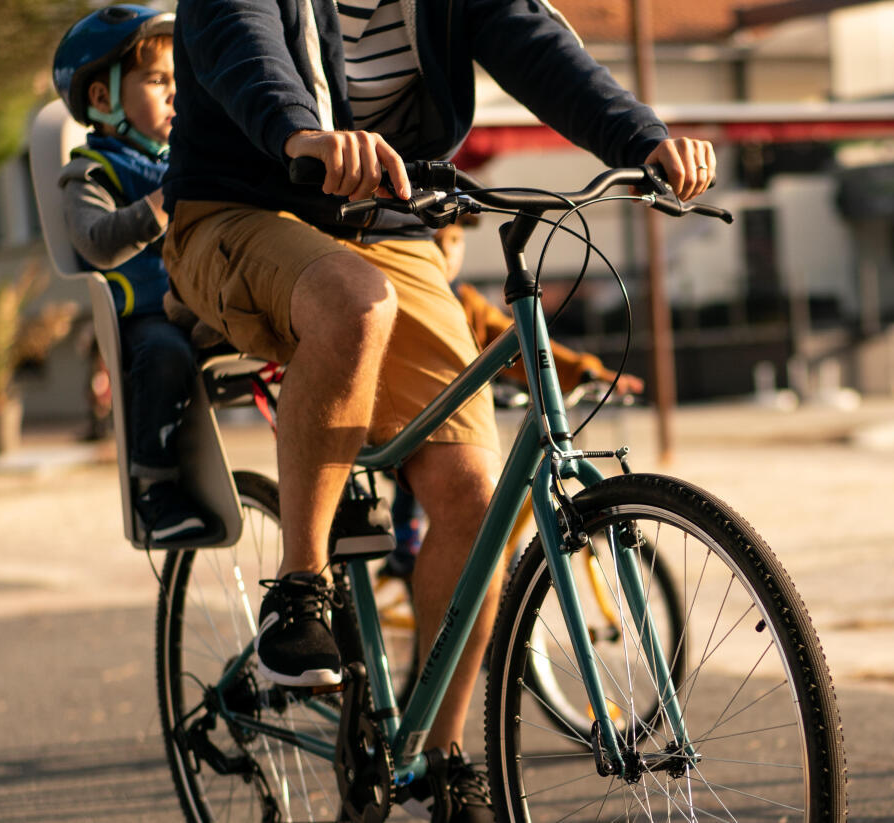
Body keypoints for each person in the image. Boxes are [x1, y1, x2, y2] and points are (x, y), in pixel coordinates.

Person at [159, 0, 713, 817]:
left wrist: (642, 139)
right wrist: (299, 135)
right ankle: (300, 591)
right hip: (240, 206)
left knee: (472, 495)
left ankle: (443, 756)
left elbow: (533, 43)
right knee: (355, 305)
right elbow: (237, 37)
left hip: (387, 223)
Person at [52, 5, 216, 546]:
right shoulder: (90, 172)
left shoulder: (190, 157)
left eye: (180, 80)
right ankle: (156, 490)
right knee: (164, 356)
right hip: (147, 317)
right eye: (157, 80)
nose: (176, 93)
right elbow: (96, 242)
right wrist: (161, 202)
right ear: (102, 100)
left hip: (210, 306)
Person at [434, 216, 646, 397]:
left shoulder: (466, 302)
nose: (446, 251)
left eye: (455, 239)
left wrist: (586, 373)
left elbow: (521, 343)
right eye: (435, 242)